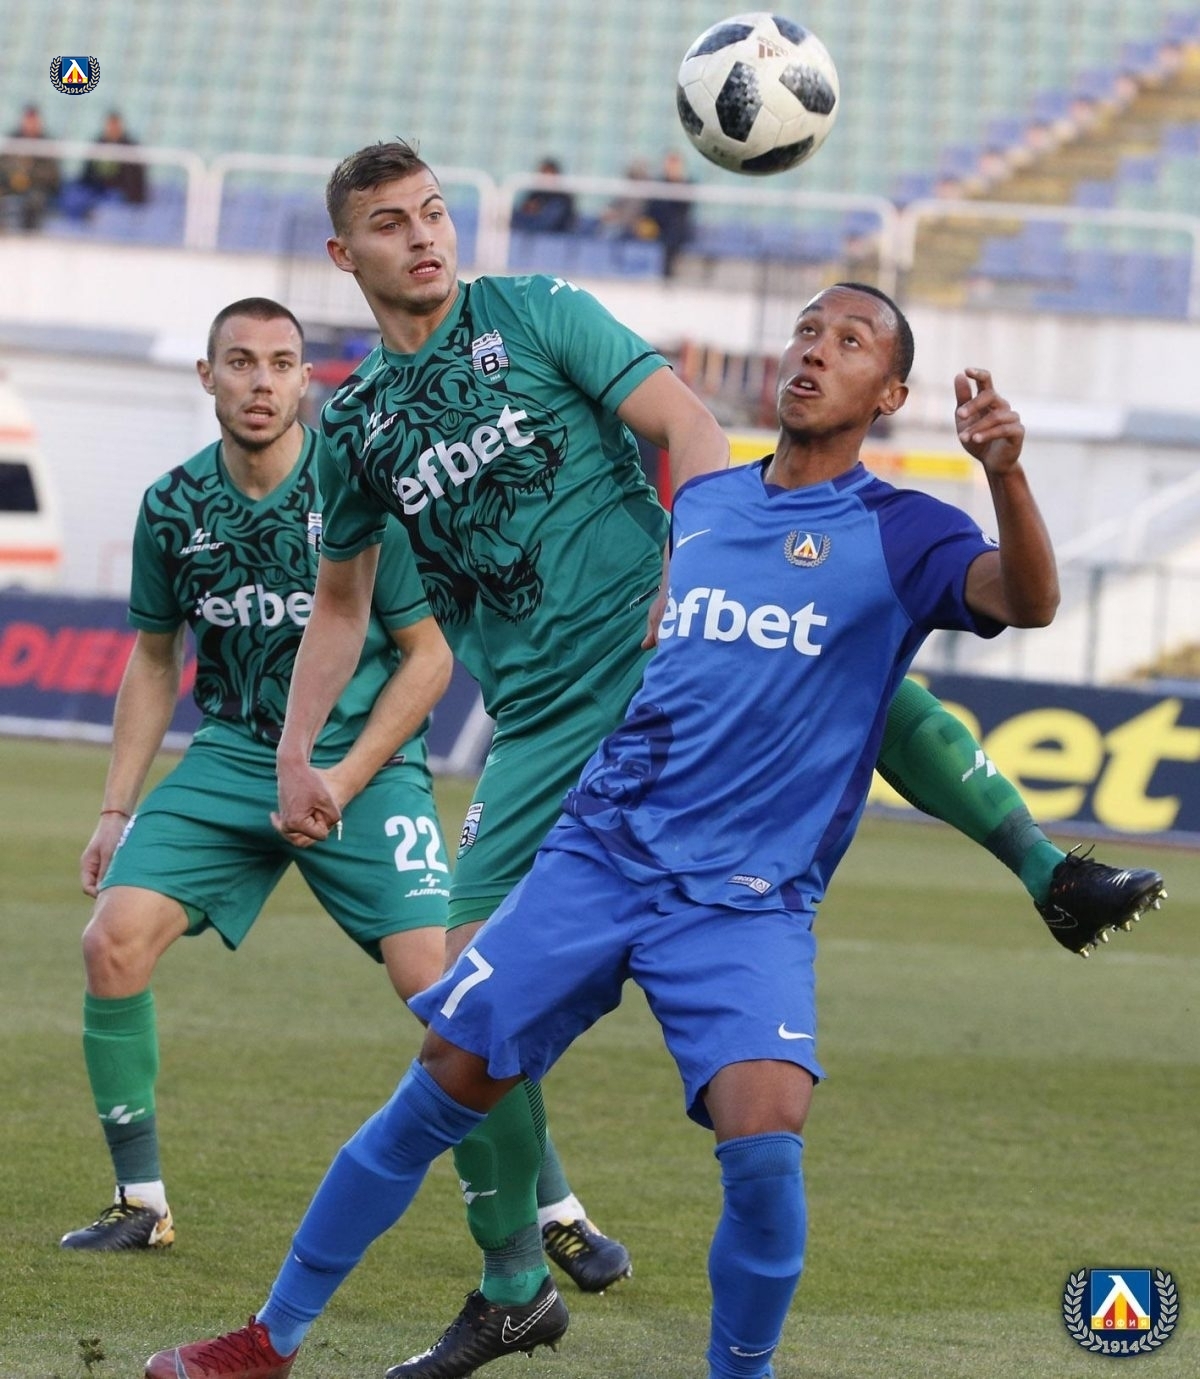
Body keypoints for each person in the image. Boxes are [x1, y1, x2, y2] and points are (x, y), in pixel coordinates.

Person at [143, 144, 1162, 1379]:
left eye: (435, 213)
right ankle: (508, 1280)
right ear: (343, 252)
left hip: (650, 643)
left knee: (849, 659)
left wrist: (698, 557)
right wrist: (299, 750)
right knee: (454, 1005)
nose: (423, 237)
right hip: (539, 726)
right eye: (392, 222)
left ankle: (1047, 868)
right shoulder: (355, 423)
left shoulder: (536, 311)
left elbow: (685, 421)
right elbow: (344, 602)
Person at [60, 299, 620, 1298]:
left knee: (449, 989)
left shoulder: (359, 487)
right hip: (234, 755)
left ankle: (556, 1210)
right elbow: (153, 659)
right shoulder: (173, 507)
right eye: (241, 362)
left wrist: (343, 776)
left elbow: (428, 657)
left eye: (282, 362)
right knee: (112, 940)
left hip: (363, 764)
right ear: (208, 377)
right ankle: (140, 1201)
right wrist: (116, 809)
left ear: (305, 379)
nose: (262, 381)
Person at [0, 103, 61, 231]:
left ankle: (28, 235)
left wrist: (28, 177)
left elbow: (52, 173)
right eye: (28, 120)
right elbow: (3, 164)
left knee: (34, 201)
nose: (30, 125)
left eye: (33, 121)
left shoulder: (47, 143)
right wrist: (14, 176)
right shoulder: (13, 140)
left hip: (37, 188)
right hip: (10, 185)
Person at [79, 109, 149, 209]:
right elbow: (87, 173)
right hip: (97, 190)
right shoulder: (98, 145)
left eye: (115, 125)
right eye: (110, 125)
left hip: (120, 194)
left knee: (110, 202)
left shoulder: (130, 147)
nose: (113, 128)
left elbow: (134, 180)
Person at [643, 149, 695, 277]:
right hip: (656, 225)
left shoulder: (687, 184)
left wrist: (677, 183)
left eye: (675, 164)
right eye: (670, 163)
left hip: (676, 229)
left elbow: (684, 209)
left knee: (674, 233)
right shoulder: (659, 183)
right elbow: (651, 208)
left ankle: (667, 274)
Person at [510, 156, 575, 233]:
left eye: (548, 173)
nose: (544, 178)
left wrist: (538, 210)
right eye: (542, 173)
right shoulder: (536, 193)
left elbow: (550, 223)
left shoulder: (563, 198)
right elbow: (524, 211)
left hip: (553, 235)